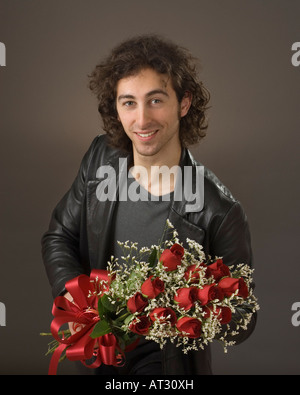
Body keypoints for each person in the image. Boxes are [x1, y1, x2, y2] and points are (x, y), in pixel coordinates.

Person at [41, 34, 257, 375]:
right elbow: (58, 236)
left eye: (155, 101)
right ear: (116, 107)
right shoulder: (100, 158)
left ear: (183, 103)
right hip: (97, 358)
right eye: (129, 102)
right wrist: (73, 298)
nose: (141, 120)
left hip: (168, 369)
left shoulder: (219, 209)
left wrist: (192, 313)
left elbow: (244, 316)